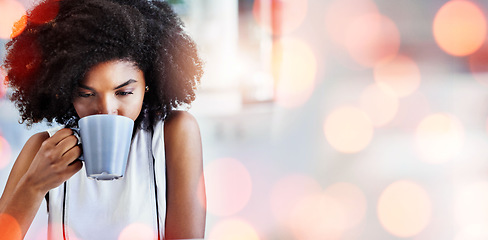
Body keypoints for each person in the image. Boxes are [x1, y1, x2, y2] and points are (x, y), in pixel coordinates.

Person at [0, 0, 206, 239]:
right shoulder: (44, 151)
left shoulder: (174, 134)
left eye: (124, 92)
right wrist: (34, 185)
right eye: (86, 94)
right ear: (65, 90)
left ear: (149, 84)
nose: (106, 110)